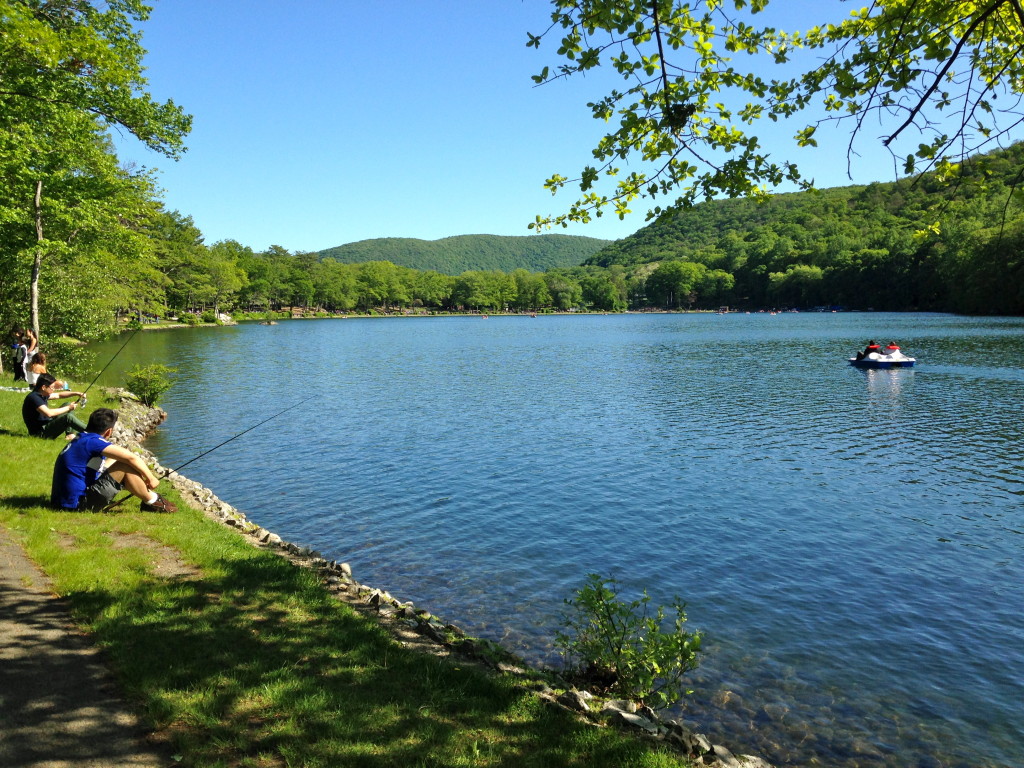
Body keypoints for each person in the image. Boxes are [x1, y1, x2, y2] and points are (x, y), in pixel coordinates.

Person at [51, 407, 177, 513]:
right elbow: (131, 458)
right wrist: (151, 478)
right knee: (124, 464)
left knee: (118, 459)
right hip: (77, 505)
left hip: (62, 501)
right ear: (109, 431)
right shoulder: (93, 442)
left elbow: (111, 460)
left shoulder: (82, 437)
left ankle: (148, 499)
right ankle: (153, 501)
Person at [22, 373, 87, 438]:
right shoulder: (34, 398)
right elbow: (49, 413)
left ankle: (70, 435)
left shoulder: (42, 394)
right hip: (40, 433)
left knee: (67, 404)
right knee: (68, 417)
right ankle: (93, 432)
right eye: (52, 387)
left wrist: (76, 393)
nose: (54, 389)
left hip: (46, 424)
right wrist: (69, 408)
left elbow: (59, 395)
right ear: (44, 387)